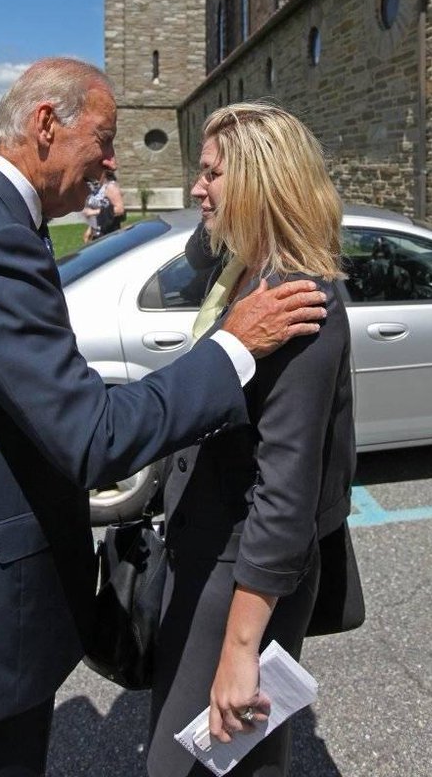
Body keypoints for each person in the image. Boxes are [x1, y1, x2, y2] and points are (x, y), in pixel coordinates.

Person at [0, 59, 328, 777]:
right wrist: (234, 344)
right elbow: (93, 436)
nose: (112, 163)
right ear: (47, 124)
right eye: (105, 139)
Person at [148, 103, 356, 777]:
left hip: (242, 572)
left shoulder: (299, 299)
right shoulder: (238, 269)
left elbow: (287, 490)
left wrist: (242, 647)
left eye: (212, 173)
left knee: (193, 763)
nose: (195, 188)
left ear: (262, 181)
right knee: (232, 757)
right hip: (204, 549)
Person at [83, 170, 126, 243]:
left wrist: (93, 212)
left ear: (104, 173)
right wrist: (90, 229)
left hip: (110, 232)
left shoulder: (110, 187)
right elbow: (102, 209)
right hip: (99, 231)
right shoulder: (99, 187)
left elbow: (120, 209)